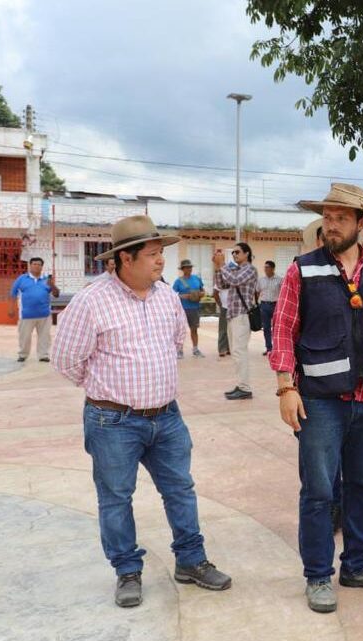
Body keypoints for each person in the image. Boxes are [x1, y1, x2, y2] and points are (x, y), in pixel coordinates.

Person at [50, 215, 231, 608]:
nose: (160, 261)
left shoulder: (165, 295)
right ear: (123, 260)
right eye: (151, 255)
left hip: (167, 416)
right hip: (112, 422)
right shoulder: (91, 301)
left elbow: (173, 340)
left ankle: (192, 561)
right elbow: (66, 361)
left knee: (180, 490)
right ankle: (127, 571)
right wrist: (109, 389)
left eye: (160, 253)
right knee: (116, 498)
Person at [270, 183, 363, 614]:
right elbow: (282, 331)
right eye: (327, 217)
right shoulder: (302, 270)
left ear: (360, 224)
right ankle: (318, 576)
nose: (331, 225)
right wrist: (285, 387)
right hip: (321, 402)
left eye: (341, 218)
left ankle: (358, 565)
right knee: (318, 492)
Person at [213, 242, 259, 400]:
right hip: (233, 315)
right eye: (232, 253)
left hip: (241, 315)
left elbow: (234, 280)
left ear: (247, 254)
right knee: (236, 353)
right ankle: (240, 385)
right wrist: (217, 267)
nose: (234, 255)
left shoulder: (250, 269)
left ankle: (245, 388)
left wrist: (222, 265)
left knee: (240, 352)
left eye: (237, 252)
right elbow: (221, 284)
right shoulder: (235, 269)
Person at [9, 257, 59, 363]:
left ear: (42, 266)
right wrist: (11, 309)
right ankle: (23, 354)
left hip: (44, 314)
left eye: (39, 264)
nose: (37, 266)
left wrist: (52, 285)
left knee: (44, 337)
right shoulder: (21, 279)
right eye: (34, 264)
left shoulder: (47, 279)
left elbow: (56, 294)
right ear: (30, 266)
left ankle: (43, 355)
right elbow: (13, 294)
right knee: (24, 337)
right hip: (26, 314)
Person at [173, 259, 205, 358]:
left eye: (190, 267)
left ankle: (195, 349)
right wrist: (183, 296)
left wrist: (200, 294)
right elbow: (173, 295)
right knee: (180, 330)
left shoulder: (197, 279)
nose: (189, 269)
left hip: (194, 307)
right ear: (183, 269)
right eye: (187, 267)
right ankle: (179, 350)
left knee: (194, 329)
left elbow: (203, 290)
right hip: (182, 308)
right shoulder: (178, 281)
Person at [257, 260, 282, 356]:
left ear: (273, 268)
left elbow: (283, 292)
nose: (265, 269)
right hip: (264, 305)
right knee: (266, 328)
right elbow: (257, 291)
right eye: (265, 267)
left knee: (276, 328)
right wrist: (256, 303)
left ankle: (277, 348)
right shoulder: (261, 280)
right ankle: (269, 348)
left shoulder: (279, 280)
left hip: (276, 305)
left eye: (267, 267)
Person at [213, 269, 230, 358]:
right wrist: (220, 304)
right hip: (224, 308)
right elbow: (215, 293)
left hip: (235, 309)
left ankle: (229, 348)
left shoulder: (235, 281)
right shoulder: (220, 281)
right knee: (223, 329)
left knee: (233, 330)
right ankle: (222, 349)